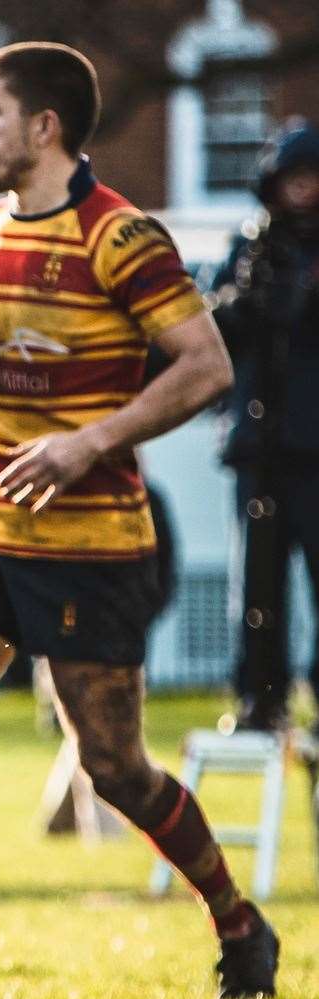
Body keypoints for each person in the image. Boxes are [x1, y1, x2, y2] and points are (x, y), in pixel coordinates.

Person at [0, 42, 277, 999]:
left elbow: (204, 367)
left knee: (113, 767)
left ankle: (238, 922)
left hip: (89, 548)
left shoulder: (120, 237)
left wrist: (85, 442)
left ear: (44, 127)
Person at [210, 119, 319, 734]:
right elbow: (209, 330)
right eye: (293, 180)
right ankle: (261, 695)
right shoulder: (252, 246)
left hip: (315, 445)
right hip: (261, 444)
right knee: (256, 584)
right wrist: (246, 301)